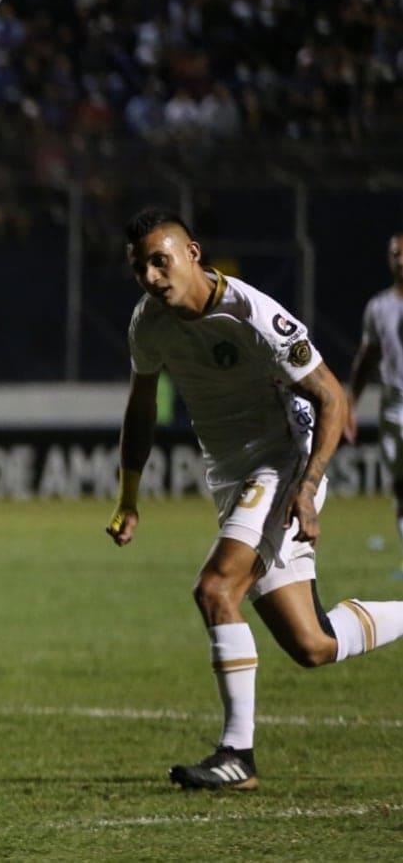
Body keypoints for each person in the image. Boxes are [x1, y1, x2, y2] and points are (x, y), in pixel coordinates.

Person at [106, 209, 403, 791]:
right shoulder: (149, 323)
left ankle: (237, 753)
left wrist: (308, 489)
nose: (150, 275)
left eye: (160, 259)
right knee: (311, 643)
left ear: (192, 252)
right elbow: (139, 408)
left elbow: (332, 399)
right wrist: (129, 496)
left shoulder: (255, 314)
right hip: (231, 474)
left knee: (217, 588)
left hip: (281, 462)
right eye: (139, 266)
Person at [345, 233, 403, 577]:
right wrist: (349, 401)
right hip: (393, 408)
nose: (400, 260)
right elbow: (367, 359)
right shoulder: (379, 306)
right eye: (395, 253)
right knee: (399, 487)